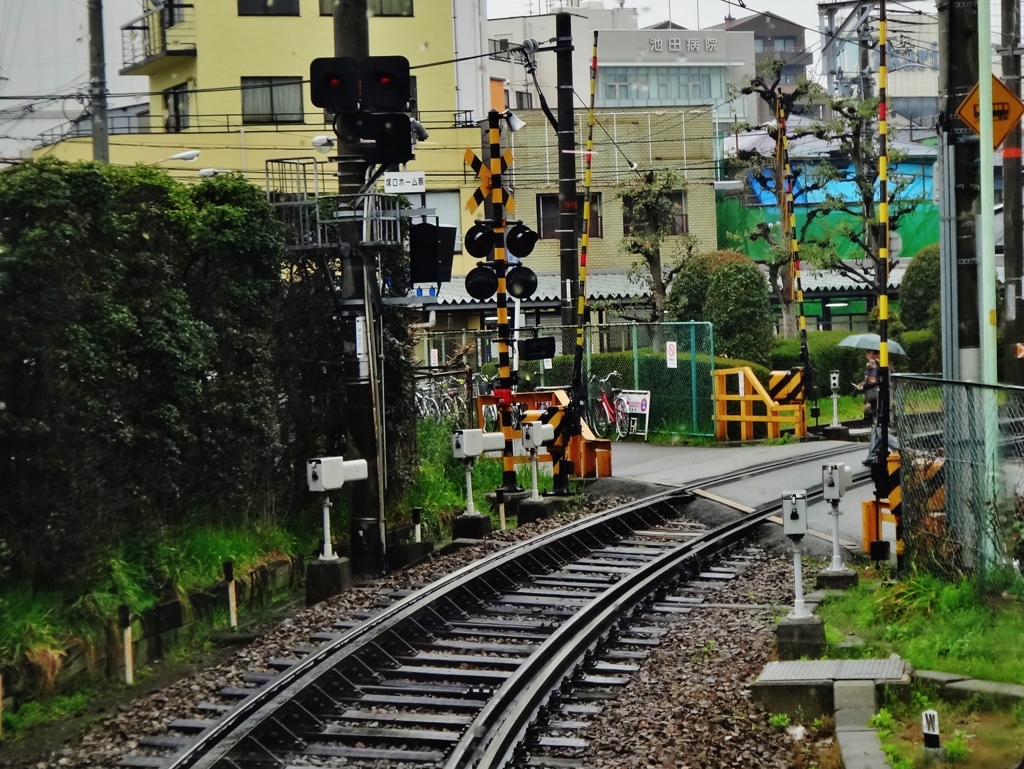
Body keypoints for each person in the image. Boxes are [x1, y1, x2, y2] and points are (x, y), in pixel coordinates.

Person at [856, 349, 880, 421]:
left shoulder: (872, 363)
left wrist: (862, 387)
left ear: (871, 353)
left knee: (872, 414)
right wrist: (862, 383)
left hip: (873, 394)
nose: (866, 354)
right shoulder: (880, 362)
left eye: (867, 352)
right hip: (880, 392)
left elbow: (872, 381)